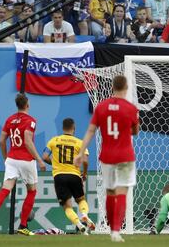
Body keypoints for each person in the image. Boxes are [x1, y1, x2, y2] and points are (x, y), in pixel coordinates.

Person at [74, 75, 139, 243]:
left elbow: (90, 131)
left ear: (112, 87)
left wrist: (81, 152)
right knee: (122, 191)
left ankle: (111, 231)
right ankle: (117, 231)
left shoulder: (101, 107)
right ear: (126, 88)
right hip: (125, 155)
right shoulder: (131, 108)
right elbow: (135, 131)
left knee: (110, 191)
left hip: (107, 156)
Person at [0, 93, 46, 237]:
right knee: (31, 191)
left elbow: (1, 141)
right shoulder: (31, 121)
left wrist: (5, 158)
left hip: (12, 159)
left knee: (5, 189)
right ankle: (23, 225)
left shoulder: (9, 119)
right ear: (27, 105)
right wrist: (39, 160)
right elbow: (27, 141)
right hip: (26, 160)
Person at [42, 118, 95, 235]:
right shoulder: (80, 143)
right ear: (74, 128)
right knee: (81, 200)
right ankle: (84, 215)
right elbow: (85, 161)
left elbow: (44, 157)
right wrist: (84, 173)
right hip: (75, 175)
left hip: (59, 176)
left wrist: (55, 164)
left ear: (63, 128)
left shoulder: (54, 140)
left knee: (67, 206)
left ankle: (79, 225)